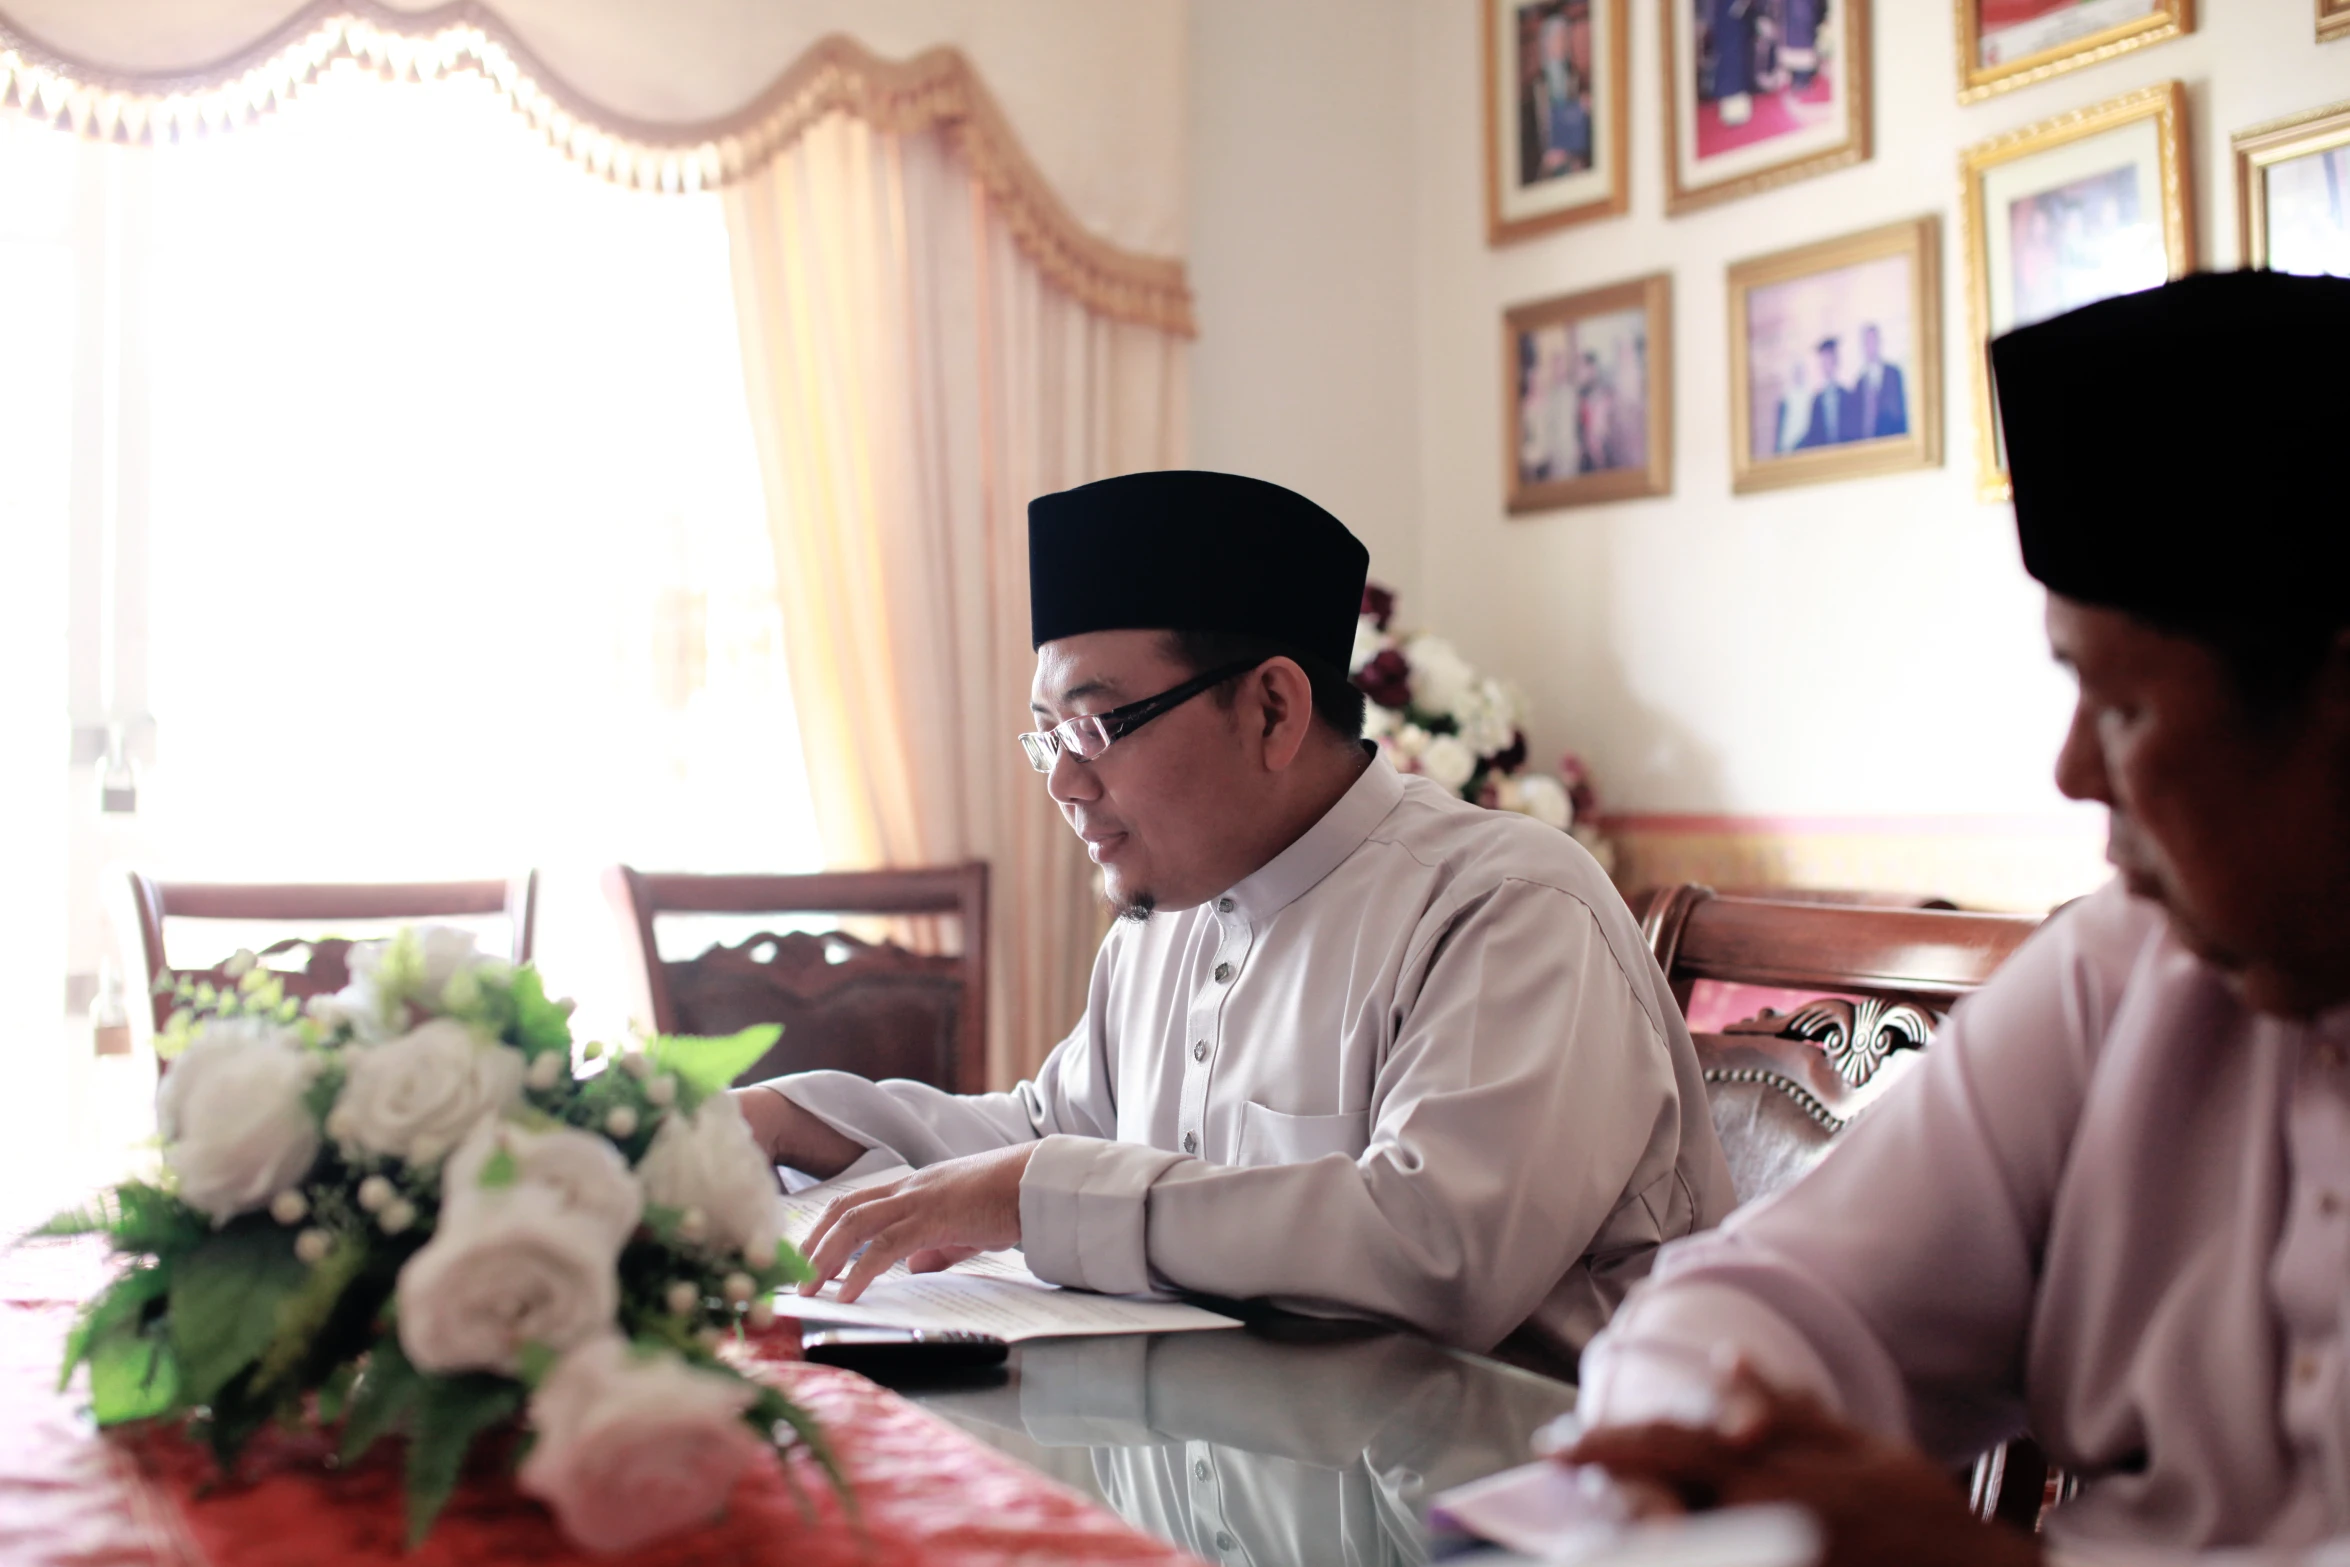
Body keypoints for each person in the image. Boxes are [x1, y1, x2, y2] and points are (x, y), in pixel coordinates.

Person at [1565, 271, 2350, 1562]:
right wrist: (1703, 1445)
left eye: (2126, 707)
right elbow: (1778, 1289)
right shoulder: (2124, 969)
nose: (2072, 773)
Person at [732, 470, 1735, 1365]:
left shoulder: (1505, 906)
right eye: (1047, 738)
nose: (1066, 781)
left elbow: (1435, 1249)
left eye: (1094, 725)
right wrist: (803, 1118)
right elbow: (1052, 1130)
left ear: (1271, 710)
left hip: (1532, 1499)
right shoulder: (1163, 917)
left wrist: (1035, 1190)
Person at [1520, 9, 1592, 183]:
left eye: (1563, 39)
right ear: (1546, 44)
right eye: (1555, 39)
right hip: (1546, 170)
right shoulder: (1535, 88)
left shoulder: (1578, 81)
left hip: (1576, 167)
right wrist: (1546, 158)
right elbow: (1527, 141)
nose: (1560, 45)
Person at [1794, 337, 1857, 449]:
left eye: (1829, 359)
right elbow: (1813, 435)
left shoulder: (1847, 396)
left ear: (1836, 361)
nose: (1826, 364)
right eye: (1823, 360)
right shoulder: (1817, 400)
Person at [1855, 322, 1906, 440]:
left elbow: (1900, 413)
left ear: (1879, 343)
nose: (1871, 346)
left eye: (1873, 341)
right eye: (1867, 342)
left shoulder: (1893, 374)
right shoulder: (1860, 383)